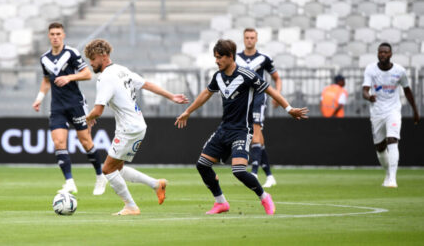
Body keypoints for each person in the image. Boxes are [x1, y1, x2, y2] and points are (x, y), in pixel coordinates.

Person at [175, 39, 308, 215]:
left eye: (219, 57)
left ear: (230, 56)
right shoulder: (218, 76)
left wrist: (289, 108)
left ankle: (264, 197)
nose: (216, 61)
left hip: (242, 131)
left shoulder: (247, 75)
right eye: (215, 57)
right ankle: (221, 203)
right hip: (224, 130)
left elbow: (270, 90)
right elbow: (206, 93)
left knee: (238, 171)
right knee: (202, 165)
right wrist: (188, 111)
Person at [84, 39, 189, 215]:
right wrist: (171, 96)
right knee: (118, 168)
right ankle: (156, 184)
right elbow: (146, 84)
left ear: (103, 56)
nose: (91, 63)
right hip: (137, 124)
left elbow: (98, 110)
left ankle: (131, 206)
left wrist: (86, 119)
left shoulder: (105, 77)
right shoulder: (121, 70)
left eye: (92, 59)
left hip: (129, 128)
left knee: (107, 170)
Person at [32, 22, 107, 196]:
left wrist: (69, 78)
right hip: (57, 106)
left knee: (85, 142)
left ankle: (100, 175)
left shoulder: (71, 53)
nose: (55, 37)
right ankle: (69, 182)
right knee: (59, 142)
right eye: (52, 34)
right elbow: (46, 80)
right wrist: (39, 98)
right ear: (49, 36)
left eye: (58, 33)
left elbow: (88, 74)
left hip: (75, 104)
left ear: (63, 35)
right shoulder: (44, 59)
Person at [362, 42, 420, 188]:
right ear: (377, 54)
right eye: (380, 52)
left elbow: (407, 91)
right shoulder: (371, 69)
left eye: (385, 52)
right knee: (380, 148)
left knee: (392, 139)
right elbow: (364, 90)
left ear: (390, 54)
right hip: (376, 113)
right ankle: (388, 173)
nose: (382, 54)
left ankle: (393, 179)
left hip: (393, 111)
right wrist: (369, 97)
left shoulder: (400, 71)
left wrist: (415, 110)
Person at [236, 28, 282, 188]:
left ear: (256, 39)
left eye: (252, 37)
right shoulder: (236, 58)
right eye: (247, 37)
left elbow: (276, 78)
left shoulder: (264, 58)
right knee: (257, 136)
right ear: (243, 39)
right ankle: (269, 175)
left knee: (255, 131)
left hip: (258, 97)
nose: (249, 40)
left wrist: (277, 95)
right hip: (242, 100)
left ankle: (254, 172)